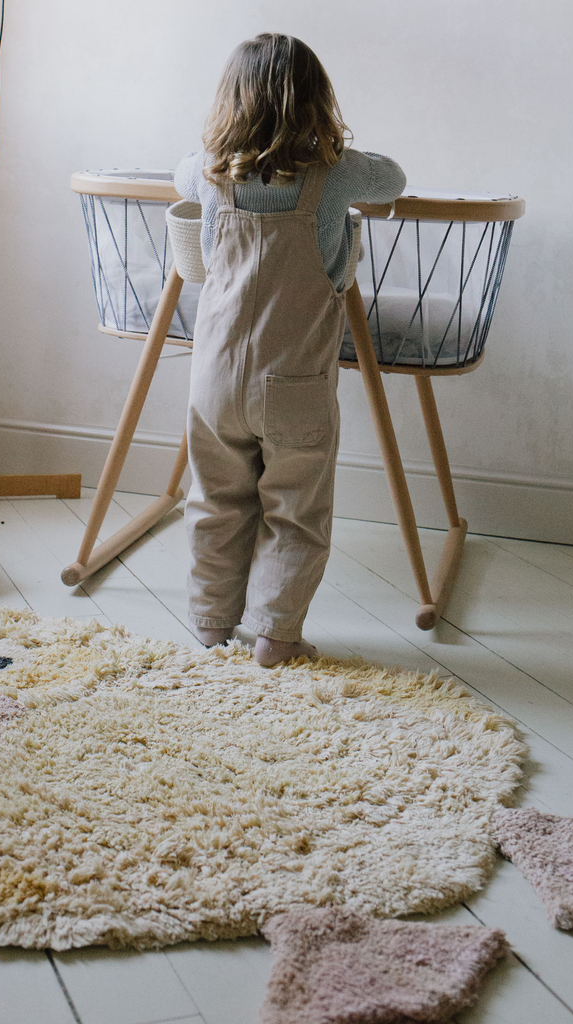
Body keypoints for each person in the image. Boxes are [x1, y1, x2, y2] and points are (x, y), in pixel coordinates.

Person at [175, 33, 405, 667]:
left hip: (215, 382)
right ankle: (277, 635)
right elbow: (393, 179)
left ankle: (210, 623)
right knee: (296, 511)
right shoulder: (335, 176)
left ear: (229, 103)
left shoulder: (205, 171)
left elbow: (179, 174)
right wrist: (333, 146)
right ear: (317, 102)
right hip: (295, 386)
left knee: (214, 501)